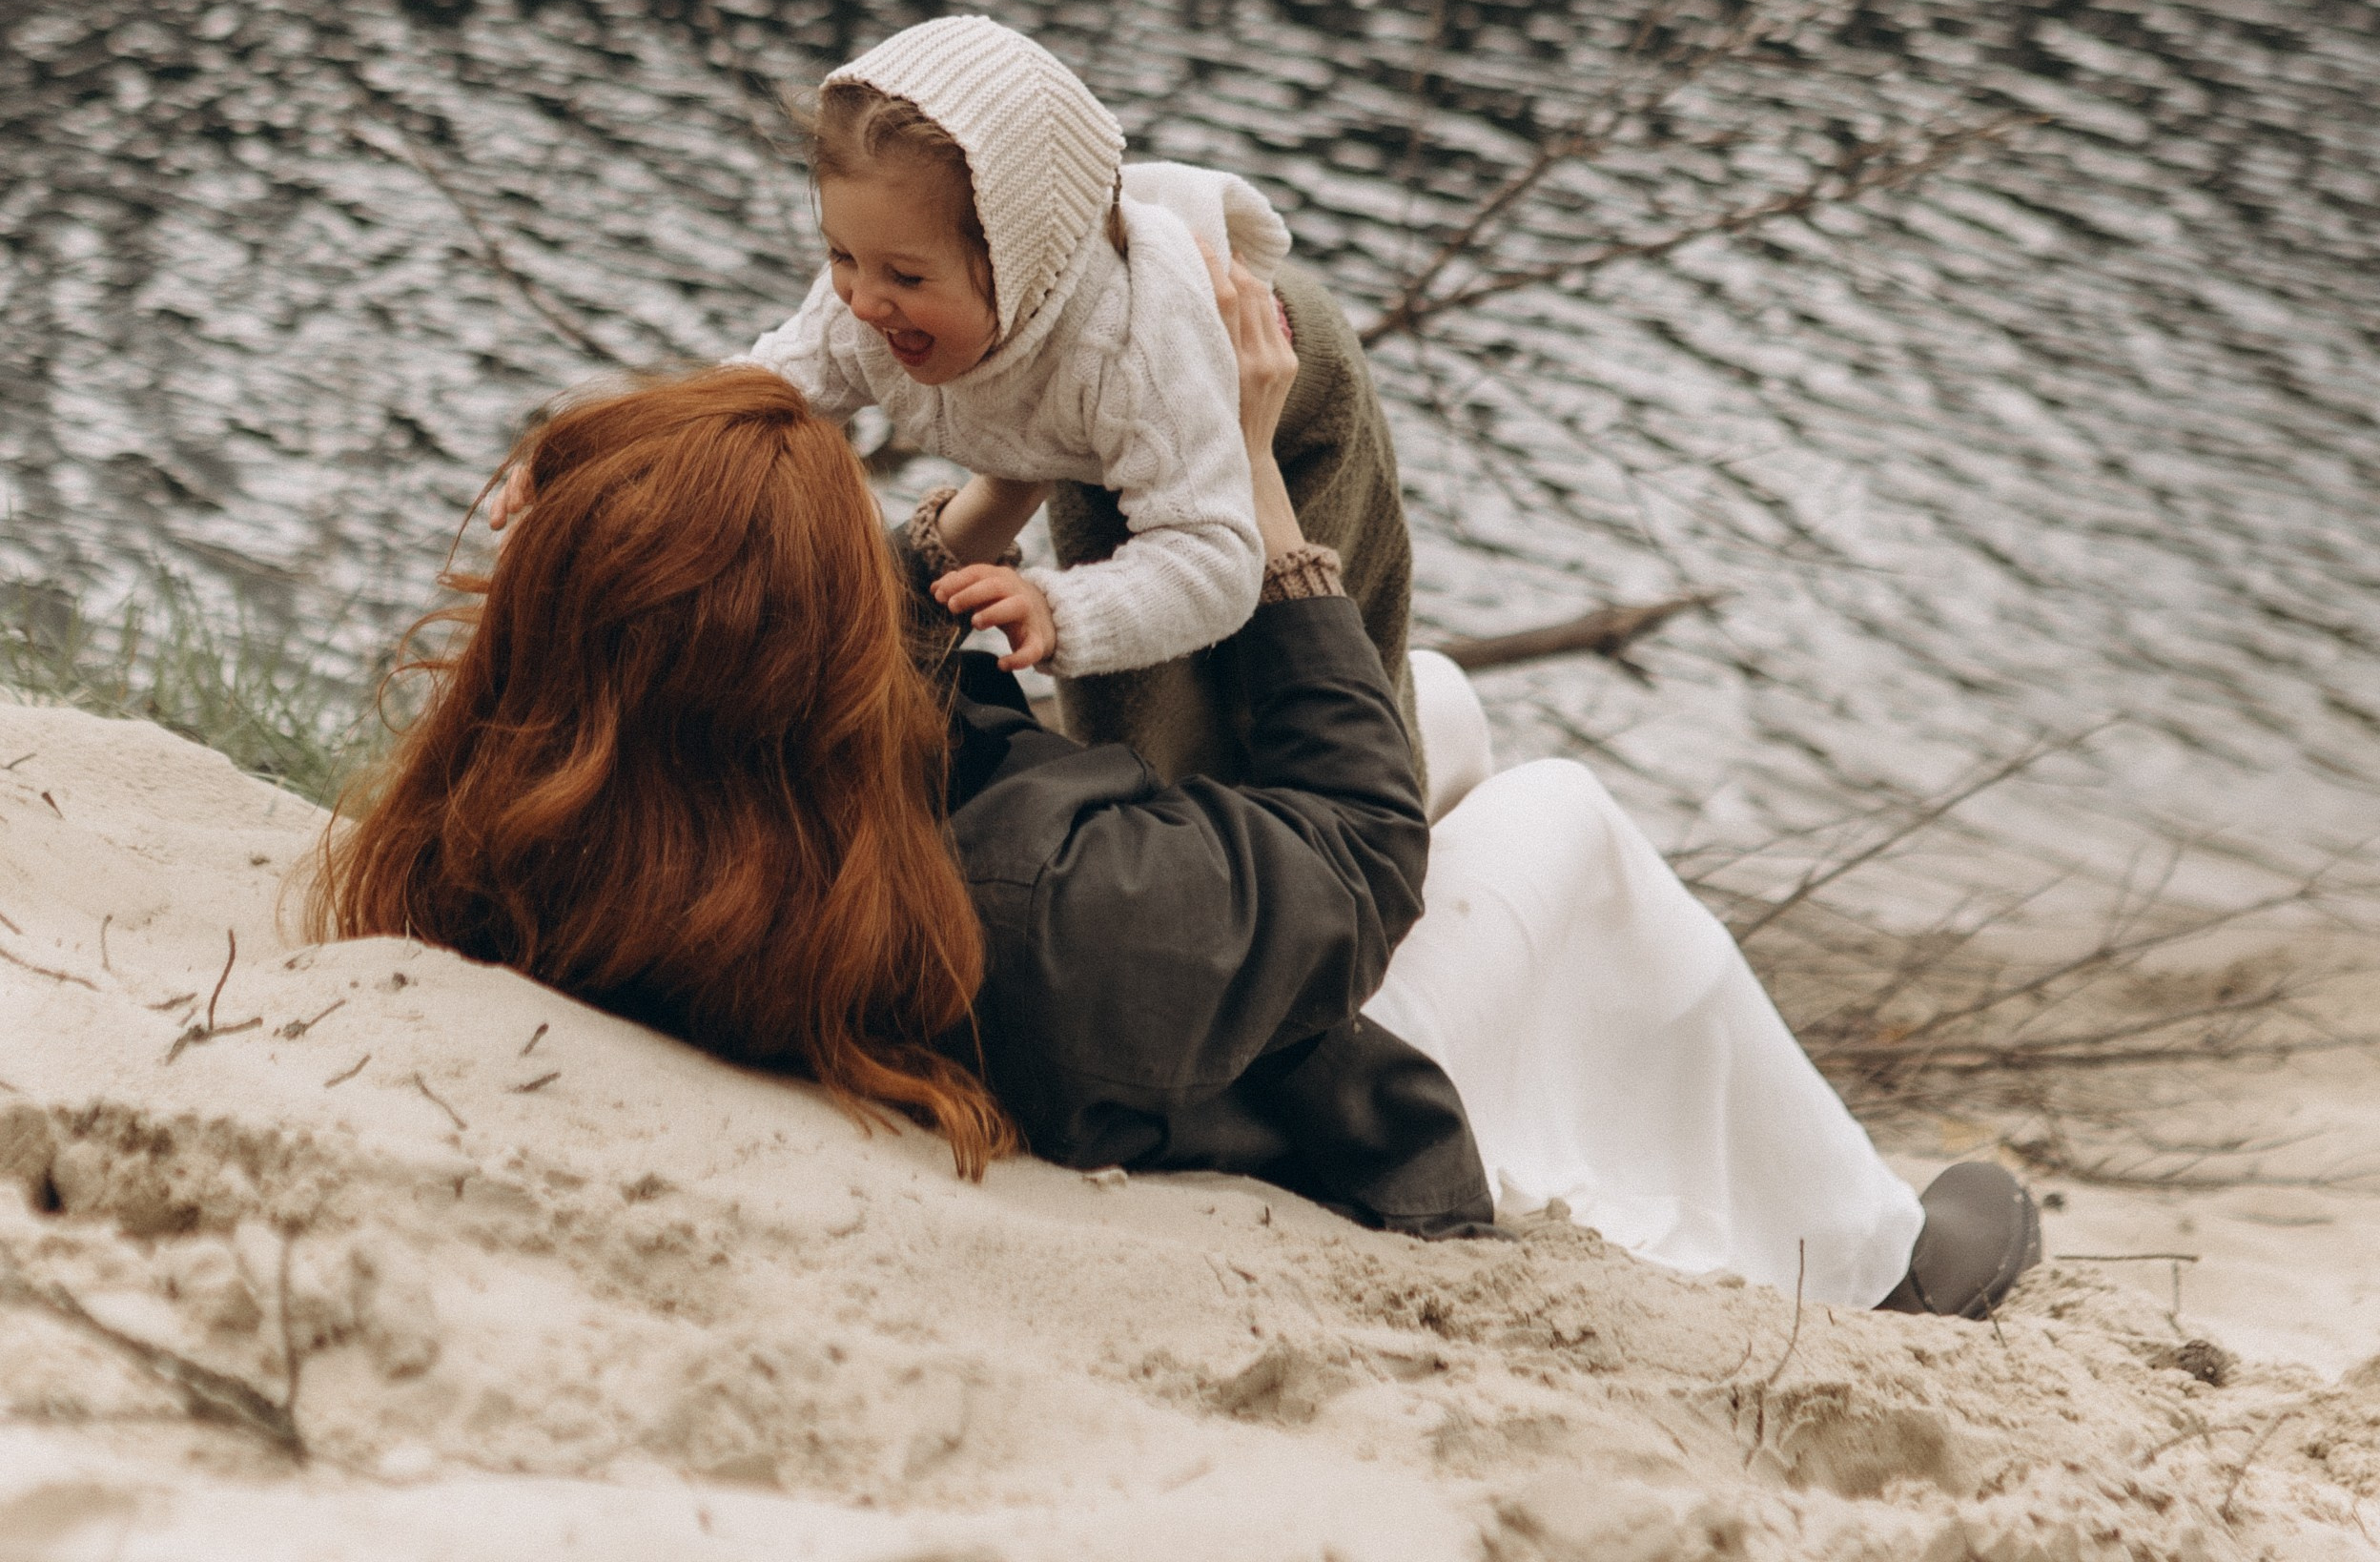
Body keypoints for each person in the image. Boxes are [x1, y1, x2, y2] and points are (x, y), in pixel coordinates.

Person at [316, 280, 2038, 1313]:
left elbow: (775, 651)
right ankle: (1873, 1255)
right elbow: (1356, 862)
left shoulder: (558, 804)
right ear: (801, 645)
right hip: (1292, 1120)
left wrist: (1014, 484)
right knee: (1557, 820)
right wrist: (1265, 529)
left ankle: (1622, 1086)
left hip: (1052, 974)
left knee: (1434, 701)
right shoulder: (1041, 904)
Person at [745, 13, 1409, 722]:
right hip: (1093, 432)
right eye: (841, 256)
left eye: (907, 278)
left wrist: (1059, 609)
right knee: (1124, 717)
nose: (864, 301)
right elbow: (760, 392)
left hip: (1279, 403)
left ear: (1020, 270)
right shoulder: (871, 296)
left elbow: (1215, 562)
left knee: (1286, 680)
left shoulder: (1126, 354)